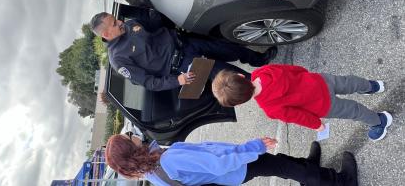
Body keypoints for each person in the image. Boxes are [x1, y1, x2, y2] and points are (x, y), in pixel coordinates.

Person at [89, 11, 277, 91]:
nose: (120, 22)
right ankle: (267, 86)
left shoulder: (129, 24)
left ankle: (260, 59)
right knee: (228, 74)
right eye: (115, 23)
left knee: (230, 49)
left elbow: (155, 24)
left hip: (186, 42)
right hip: (184, 65)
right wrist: (176, 81)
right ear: (106, 33)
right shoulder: (118, 59)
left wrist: (154, 6)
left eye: (116, 19)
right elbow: (148, 82)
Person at [211, 64, 393, 141]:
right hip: (318, 81)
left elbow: (297, 116)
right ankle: (373, 86)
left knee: (353, 110)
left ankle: (380, 122)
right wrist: (305, 74)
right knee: (348, 82)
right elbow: (291, 69)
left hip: (322, 104)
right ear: (241, 75)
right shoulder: (262, 72)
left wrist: (317, 125)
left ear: (241, 103)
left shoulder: (270, 108)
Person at [105, 133, 358, 186]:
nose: (133, 135)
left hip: (230, 175)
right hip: (235, 167)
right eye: (129, 137)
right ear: (131, 148)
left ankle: (309, 168)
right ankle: (341, 181)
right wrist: (254, 146)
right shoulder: (169, 160)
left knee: (281, 163)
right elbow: (217, 163)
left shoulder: (152, 172)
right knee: (282, 165)